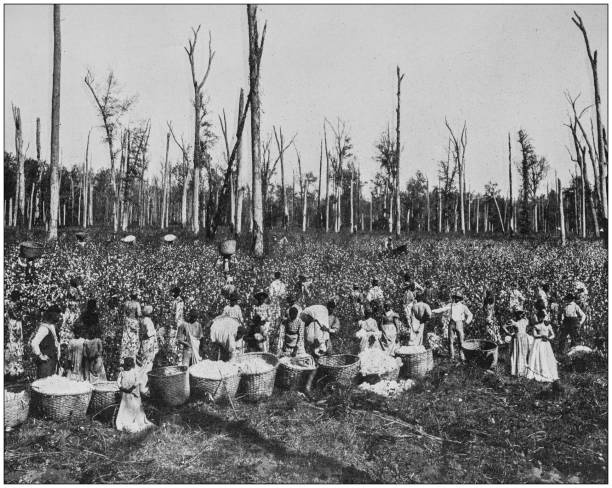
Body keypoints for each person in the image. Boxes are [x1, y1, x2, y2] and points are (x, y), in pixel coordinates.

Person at [115, 357, 153, 433]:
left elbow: (138, 381)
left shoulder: (135, 372)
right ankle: (125, 421)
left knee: (135, 406)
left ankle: (136, 421)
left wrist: (132, 388)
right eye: (126, 366)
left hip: (134, 394)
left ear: (132, 366)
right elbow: (118, 382)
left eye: (129, 366)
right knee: (125, 408)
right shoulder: (122, 373)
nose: (127, 367)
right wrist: (122, 388)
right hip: (125, 395)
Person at [432, 290, 473, 360]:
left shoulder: (463, 306)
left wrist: (466, 322)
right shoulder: (450, 305)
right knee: (450, 341)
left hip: (460, 324)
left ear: (460, 299)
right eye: (455, 297)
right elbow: (442, 309)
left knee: (461, 341)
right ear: (454, 298)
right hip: (452, 324)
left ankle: (462, 356)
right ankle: (452, 356)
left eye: (458, 298)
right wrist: (433, 310)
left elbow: (470, 314)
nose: (456, 299)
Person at [526, 310, 559, 383]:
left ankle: (547, 372)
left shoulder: (548, 325)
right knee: (538, 356)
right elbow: (534, 335)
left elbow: (553, 335)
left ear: (544, 317)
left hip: (546, 343)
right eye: (539, 317)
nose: (541, 319)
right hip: (538, 342)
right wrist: (541, 336)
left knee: (546, 357)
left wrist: (548, 338)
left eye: (542, 317)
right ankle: (538, 371)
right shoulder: (536, 326)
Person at [31, 305, 62, 378]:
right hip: (46, 363)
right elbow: (34, 343)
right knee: (44, 384)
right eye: (57, 314)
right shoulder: (44, 328)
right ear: (52, 315)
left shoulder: (53, 327)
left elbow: (56, 343)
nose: (58, 316)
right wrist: (40, 355)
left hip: (52, 362)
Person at [502, 310, 531, 377]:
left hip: (524, 338)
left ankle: (523, 370)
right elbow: (504, 326)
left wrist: (525, 316)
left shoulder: (525, 321)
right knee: (516, 353)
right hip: (517, 339)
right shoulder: (513, 322)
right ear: (516, 314)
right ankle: (516, 370)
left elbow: (527, 321)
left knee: (524, 353)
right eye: (519, 313)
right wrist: (509, 333)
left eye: (522, 313)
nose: (521, 315)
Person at [4, 290, 24, 380]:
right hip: (14, 325)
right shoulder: (12, 305)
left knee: (15, 347)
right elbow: (15, 316)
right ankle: (14, 371)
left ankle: (14, 371)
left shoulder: (10, 304)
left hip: (13, 325)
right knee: (15, 348)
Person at [120, 291, 142, 362]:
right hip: (134, 321)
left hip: (127, 321)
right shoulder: (137, 304)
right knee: (134, 338)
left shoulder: (126, 303)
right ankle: (132, 356)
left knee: (126, 338)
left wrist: (126, 321)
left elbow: (124, 314)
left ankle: (125, 355)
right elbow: (139, 314)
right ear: (136, 297)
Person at [137, 305, 159, 375]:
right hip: (148, 342)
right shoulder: (147, 321)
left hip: (145, 342)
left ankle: (143, 377)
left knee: (145, 360)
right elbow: (149, 333)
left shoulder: (143, 320)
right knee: (148, 361)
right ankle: (144, 377)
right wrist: (157, 331)